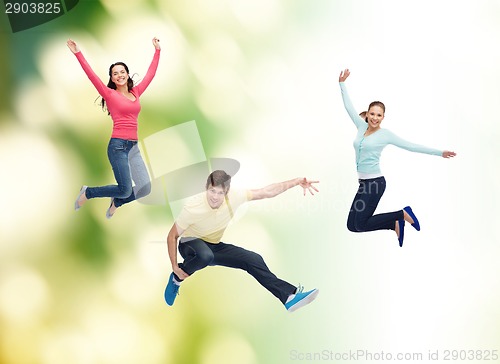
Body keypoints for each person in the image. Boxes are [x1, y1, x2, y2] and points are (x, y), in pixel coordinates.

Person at [165, 170, 320, 312]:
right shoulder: (193, 206)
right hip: (190, 244)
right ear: (206, 188)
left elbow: (266, 192)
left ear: (227, 193)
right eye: (212, 191)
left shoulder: (235, 196)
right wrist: (174, 266)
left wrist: (297, 181)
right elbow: (172, 236)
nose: (215, 197)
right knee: (205, 256)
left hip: (214, 246)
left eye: (220, 193)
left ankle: (288, 297)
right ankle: (176, 279)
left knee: (253, 259)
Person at [338, 69, 456, 247]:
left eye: (379, 115)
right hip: (363, 184)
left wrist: (440, 152)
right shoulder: (361, 127)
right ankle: (393, 224)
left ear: (383, 117)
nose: (374, 118)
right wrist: (342, 84)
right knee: (352, 226)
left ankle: (401, 214)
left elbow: (411, 146)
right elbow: (349, 107)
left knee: (360, 223)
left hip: (375, 184)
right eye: (372, 114)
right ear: (367, 114)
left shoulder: (385, 135)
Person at [67, 37, 161, 218]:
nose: (119, 75)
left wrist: (157, 50)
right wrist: (78, 53)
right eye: (115, 73)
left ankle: (117, 201)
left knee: (145, 188)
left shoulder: (136, 92)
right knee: (125, 189)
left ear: (127, 74)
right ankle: (88, 192)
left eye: (122, 71)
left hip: (133, 147)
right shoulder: (109, 94)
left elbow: (151, 74)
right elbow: (91, 75)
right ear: (111, 78)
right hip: (117, 146)